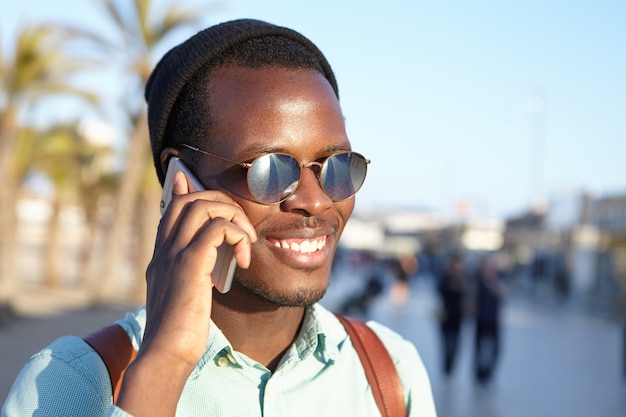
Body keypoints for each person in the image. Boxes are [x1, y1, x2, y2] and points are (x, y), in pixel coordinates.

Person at [2, 19, 437, 417]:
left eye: (337, 165)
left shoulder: (390, 373)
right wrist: (164, 365)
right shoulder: (67, 385)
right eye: (270, 169)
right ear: (182, 181)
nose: (316, 201)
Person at [473, 253, 503, 386]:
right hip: (481, 323)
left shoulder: (498, 283)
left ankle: (488, 375)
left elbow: (504, 294)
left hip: (494, 323)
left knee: (495, 351)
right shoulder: (477, 284)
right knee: (480, 351)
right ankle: (480, 377)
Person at [436, 252, 467, 376]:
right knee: (447, 345)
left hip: (458, 318)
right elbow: (441, 292)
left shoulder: (464, 280)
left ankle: (451, 369)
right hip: (446, 318)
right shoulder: (445, 279)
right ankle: (446, 369)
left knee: (455, 346)